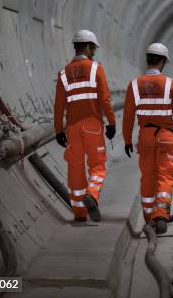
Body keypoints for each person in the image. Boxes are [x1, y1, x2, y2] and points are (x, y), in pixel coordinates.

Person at [122, 43, 173, 234]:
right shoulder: (171, 84)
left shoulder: (134, 85)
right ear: (163, 62)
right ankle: (161, 214)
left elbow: (128, 116)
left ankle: (148, 217)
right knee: (165, 175)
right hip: (166, 136)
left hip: (145, 136)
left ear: (148, 60)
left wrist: (127, 140)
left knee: (147, 175)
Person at [53, 30, 116, 222]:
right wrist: (112, 121)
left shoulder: (64, 73)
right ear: (87, 47)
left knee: (75, 169)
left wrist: (58, 130)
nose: (94, 52)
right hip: (93, 125)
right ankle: (92, 194)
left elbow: (58, 106)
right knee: (97, 165)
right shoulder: (96, 69)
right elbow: (104, 99)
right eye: (93, 48)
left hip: (72, 128)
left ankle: (80, 212)